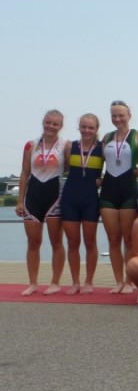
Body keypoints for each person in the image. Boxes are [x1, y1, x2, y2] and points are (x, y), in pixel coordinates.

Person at [100, 100, 138, 294]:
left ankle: (130, 281)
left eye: (121, 115)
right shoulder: (107, 137)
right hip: (108, 191)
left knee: (129, 240)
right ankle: (118, 281)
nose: (118, 119)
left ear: (129, 116)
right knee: (113, 239)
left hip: (128, 190)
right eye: (114, 115)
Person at [16, 109, 67, 296]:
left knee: (56, 242)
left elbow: (74, 170)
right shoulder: (31, 145)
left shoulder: (66, 146)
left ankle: (55, 282)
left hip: (55, 197)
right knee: (33, 242)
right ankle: (33, 283)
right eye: (48, 122)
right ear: (43, 122)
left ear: (61, 126)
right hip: (33, 197)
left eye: (55, 124)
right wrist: (20, 201)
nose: (51, 126)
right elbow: (24, 173)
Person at [61, 113, 103, 295]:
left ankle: (89, 281)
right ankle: (75, 282)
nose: (87, 130)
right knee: (72, 242)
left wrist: (102, 180)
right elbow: (62, 168)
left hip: (90, 200)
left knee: (90, 241)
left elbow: (115, 169)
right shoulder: (70, 146)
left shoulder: (102, 148)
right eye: (84, 127)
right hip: (70, 198)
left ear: (96, 129)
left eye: (91, 127)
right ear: (79, 127)